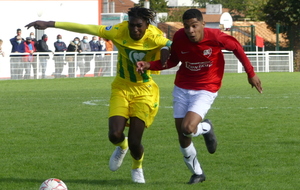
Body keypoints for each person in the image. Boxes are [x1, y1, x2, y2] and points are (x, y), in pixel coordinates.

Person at [25, 6, 172, 184]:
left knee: (135, 141)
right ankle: (121, 146)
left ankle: (137, 166)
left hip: (145, 90)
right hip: (121, 87)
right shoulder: (118, 31)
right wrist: (49, 23)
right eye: (132, 25)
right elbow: (86, 28)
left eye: (139, 25)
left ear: (147, 24)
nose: (134, 29)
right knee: (114, 135)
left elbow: (169, 44)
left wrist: (165, 52)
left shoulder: (154, 36)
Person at [136, 9, 263, 184]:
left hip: (206, 88)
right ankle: (197, 173)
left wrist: (251, 73)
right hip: (182, 87)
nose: (191, 31)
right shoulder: (179, 38)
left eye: (194, 26)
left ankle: (206, 128)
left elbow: (237, 48)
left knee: (188, 128)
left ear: (203, 24)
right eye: (187, 27)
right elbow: (173, 61)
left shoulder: (216, 37)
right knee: (183, 136)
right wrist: (149, 64)